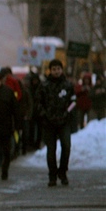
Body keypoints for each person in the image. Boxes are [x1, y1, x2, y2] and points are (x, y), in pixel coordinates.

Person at [35, 59, 75, 187]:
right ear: (50, 71)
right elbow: (38, 103)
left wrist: (67, 113)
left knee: (66, 146)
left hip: (64, 122)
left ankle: (62, 172)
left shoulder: (68, 85)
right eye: (54, 69)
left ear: (61, 70)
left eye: (58, 69)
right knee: (51, 151)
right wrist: (44, 115)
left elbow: (73, 102)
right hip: (49, 123)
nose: (56, 71)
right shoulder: (44, 85)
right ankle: (52, 175)